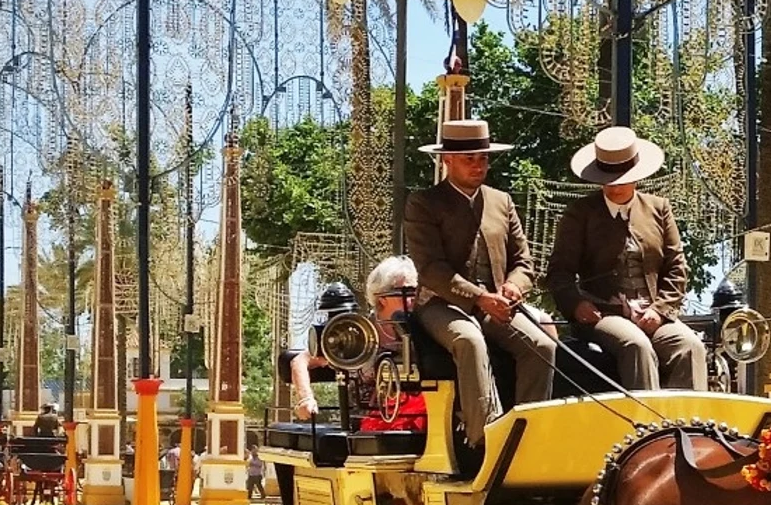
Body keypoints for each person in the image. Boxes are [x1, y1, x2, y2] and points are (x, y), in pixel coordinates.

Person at [404, 118, 556, 450]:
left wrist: (515, 287)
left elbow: (524, 262)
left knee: (542, 346)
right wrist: (480, 297)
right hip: (441, 305)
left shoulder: (502, 201)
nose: (478, 166)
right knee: (471, 341)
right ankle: (487, 439)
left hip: (498, 305)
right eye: (468, 159)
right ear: (447, 160)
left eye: (483, 158)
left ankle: (529, 437)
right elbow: (430, 269)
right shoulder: (424, 203)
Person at [546, 126, 706, 392]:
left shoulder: (659, 209)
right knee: (637, 345)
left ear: (636, 176)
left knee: (690, 346)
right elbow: (559, 272)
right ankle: (649, 429)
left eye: (623, 177)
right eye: (608, 177)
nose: (616, 184)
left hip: (654, 313)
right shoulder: (580, 213)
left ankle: (690, 427)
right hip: (604, 315)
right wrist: (577, 305)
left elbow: (677, 268)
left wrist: (660, 310)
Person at [289, 259, 429, 431]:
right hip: (366, 423)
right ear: (382, 298)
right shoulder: (357, 331)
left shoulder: (425, 327)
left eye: (415, 292)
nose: (412, 299)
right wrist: (305, 399)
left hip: (420, 418)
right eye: (404, 292)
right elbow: (301, 360)